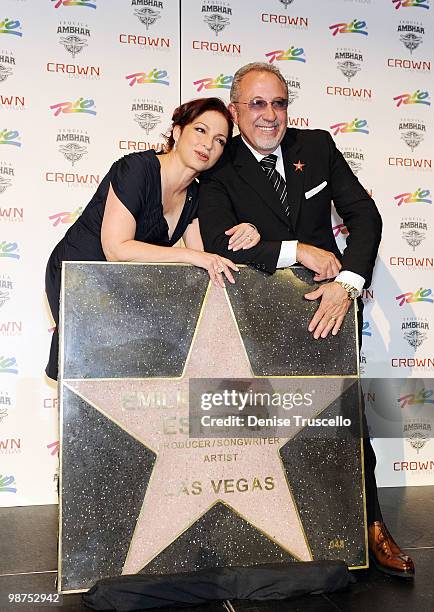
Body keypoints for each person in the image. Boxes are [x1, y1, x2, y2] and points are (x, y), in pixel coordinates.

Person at [198, 62, 414, 578]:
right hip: (254, 320)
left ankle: (371, 528)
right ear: (235, 110)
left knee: (344, 423)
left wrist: (348, 284)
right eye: (257, 104)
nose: (270, 115)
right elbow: (216, 242)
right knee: (259, 427)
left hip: (329, 308)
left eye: (279, 103)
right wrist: (299, 249)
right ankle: (270, 534)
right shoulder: (219, 166)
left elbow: (366, 216)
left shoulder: (315, 146)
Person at [45, 97, 261, 381]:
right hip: (79, 274)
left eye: (220, 140)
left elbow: (206, 261)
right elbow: (116, 249)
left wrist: (250, 230)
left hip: (120, 284)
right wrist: (192, 256)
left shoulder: (195, 195)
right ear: (178, 131)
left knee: (128, 373)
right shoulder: (137, 169)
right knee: (90, 373)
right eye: (200, 130)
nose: (208, 144)